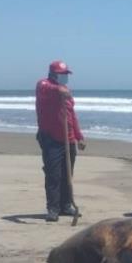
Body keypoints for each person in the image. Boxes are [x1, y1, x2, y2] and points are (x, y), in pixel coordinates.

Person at [35, 60, 85, 222]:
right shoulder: (45, 85)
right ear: (53, 74)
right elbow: (44, 88)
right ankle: (53, 208)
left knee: (67, 174)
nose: (65, 77)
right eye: (62, 74)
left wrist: (79, 136)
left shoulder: (66, 92)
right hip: (51, 138)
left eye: (66, 75)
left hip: (68, 139)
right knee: (53, 175)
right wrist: (58, 89)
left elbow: (72, 116)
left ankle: (66, 205)